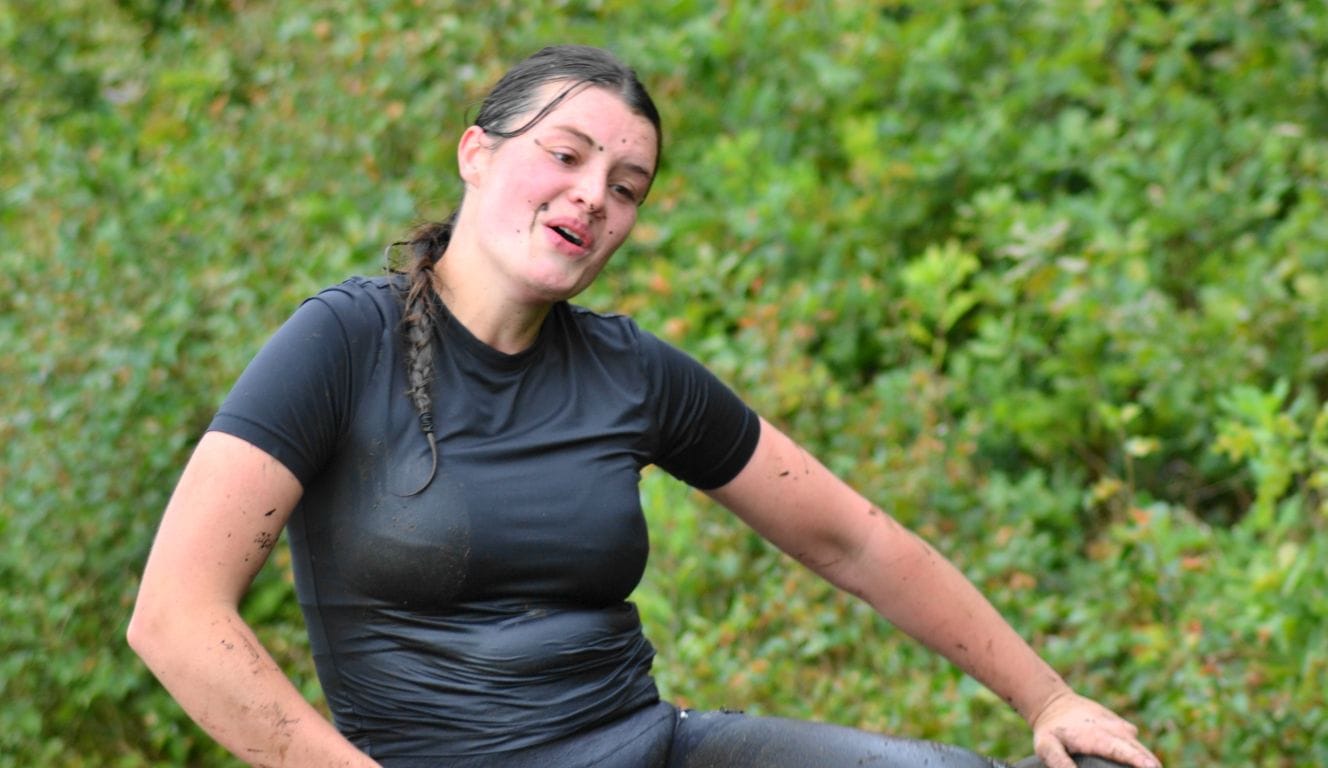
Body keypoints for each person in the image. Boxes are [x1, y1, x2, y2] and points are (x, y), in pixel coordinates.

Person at [128, 44, 1162, 768]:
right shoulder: (341, 343)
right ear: (476, 153)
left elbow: (852, 539)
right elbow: (176, 617)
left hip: (653, 748)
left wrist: (1048, 696)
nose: (593, 196)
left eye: (626, 187)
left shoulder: (628, 371)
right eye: (565, 155)